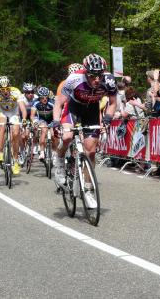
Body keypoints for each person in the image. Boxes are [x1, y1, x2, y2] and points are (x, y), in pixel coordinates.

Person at [52, 53, 117, 208]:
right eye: (92, 76)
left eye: (99, 75)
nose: (96, 79)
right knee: (67, 137)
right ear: (85, 72)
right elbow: (59, 103)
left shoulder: (109, 80)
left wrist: (107, 118)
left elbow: (113, 103)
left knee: (91, 151)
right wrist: (55, 121)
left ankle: (88, 190)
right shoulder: (74, 79)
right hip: (73, 108)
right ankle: (60, 162)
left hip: (92, 111)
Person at [0, 75, 27, 175]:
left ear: (10, 87)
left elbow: (22, 108)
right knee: (1, 125)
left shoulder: (16, 92)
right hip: (2, 112)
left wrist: (23, 119)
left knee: (15, 134)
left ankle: (15, 161)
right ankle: (1, 153)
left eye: (7, 89)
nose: (5, 91)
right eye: (3, 89)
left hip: (14, 113)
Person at [30, 86, 56, 161]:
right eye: (42, 98)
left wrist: (54, 123)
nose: (44, 99)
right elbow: (32, 115)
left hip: (51, 119)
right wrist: (34, 122)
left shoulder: (52, 102)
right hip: (41, 119)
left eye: (46, 97)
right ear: (39, 97)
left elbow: (56, 115)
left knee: (53, 135)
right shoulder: (35, 102)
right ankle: (42, 152)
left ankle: (54, 152)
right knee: (43, 131)